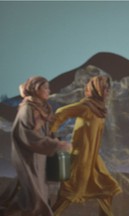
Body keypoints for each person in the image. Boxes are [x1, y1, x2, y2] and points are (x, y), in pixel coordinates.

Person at [50, 75, 122, 216]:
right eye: (105, 88)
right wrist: (50, 133)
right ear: (97, 89)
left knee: (108, 188)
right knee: (69, 194)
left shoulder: (99, 109)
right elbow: (61, 113)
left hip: (93, 159)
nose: (107, 91)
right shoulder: (86, 106)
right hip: (80, 159)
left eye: (108, 88)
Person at [10, 76, 71, 216]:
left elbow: (45, 132)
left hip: (39, 158)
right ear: (36, 89)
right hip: (28, 158)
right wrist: (55, 144)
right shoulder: (27, 109)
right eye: (45, 88)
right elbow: (28, 136)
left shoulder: (41, 108)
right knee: (35, 198)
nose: (49, 91)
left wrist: (56, 142)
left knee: (38, 194)